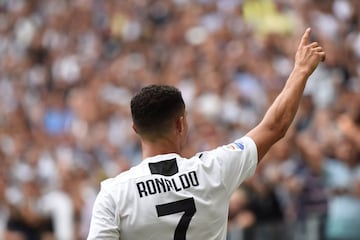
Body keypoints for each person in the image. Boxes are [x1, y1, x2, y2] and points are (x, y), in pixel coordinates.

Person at [87, 28, 325, 240]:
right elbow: (275, 126)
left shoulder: (114, 193)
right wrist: (301, 70)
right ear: (180, 124)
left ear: (135, 130)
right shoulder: (214, 169)